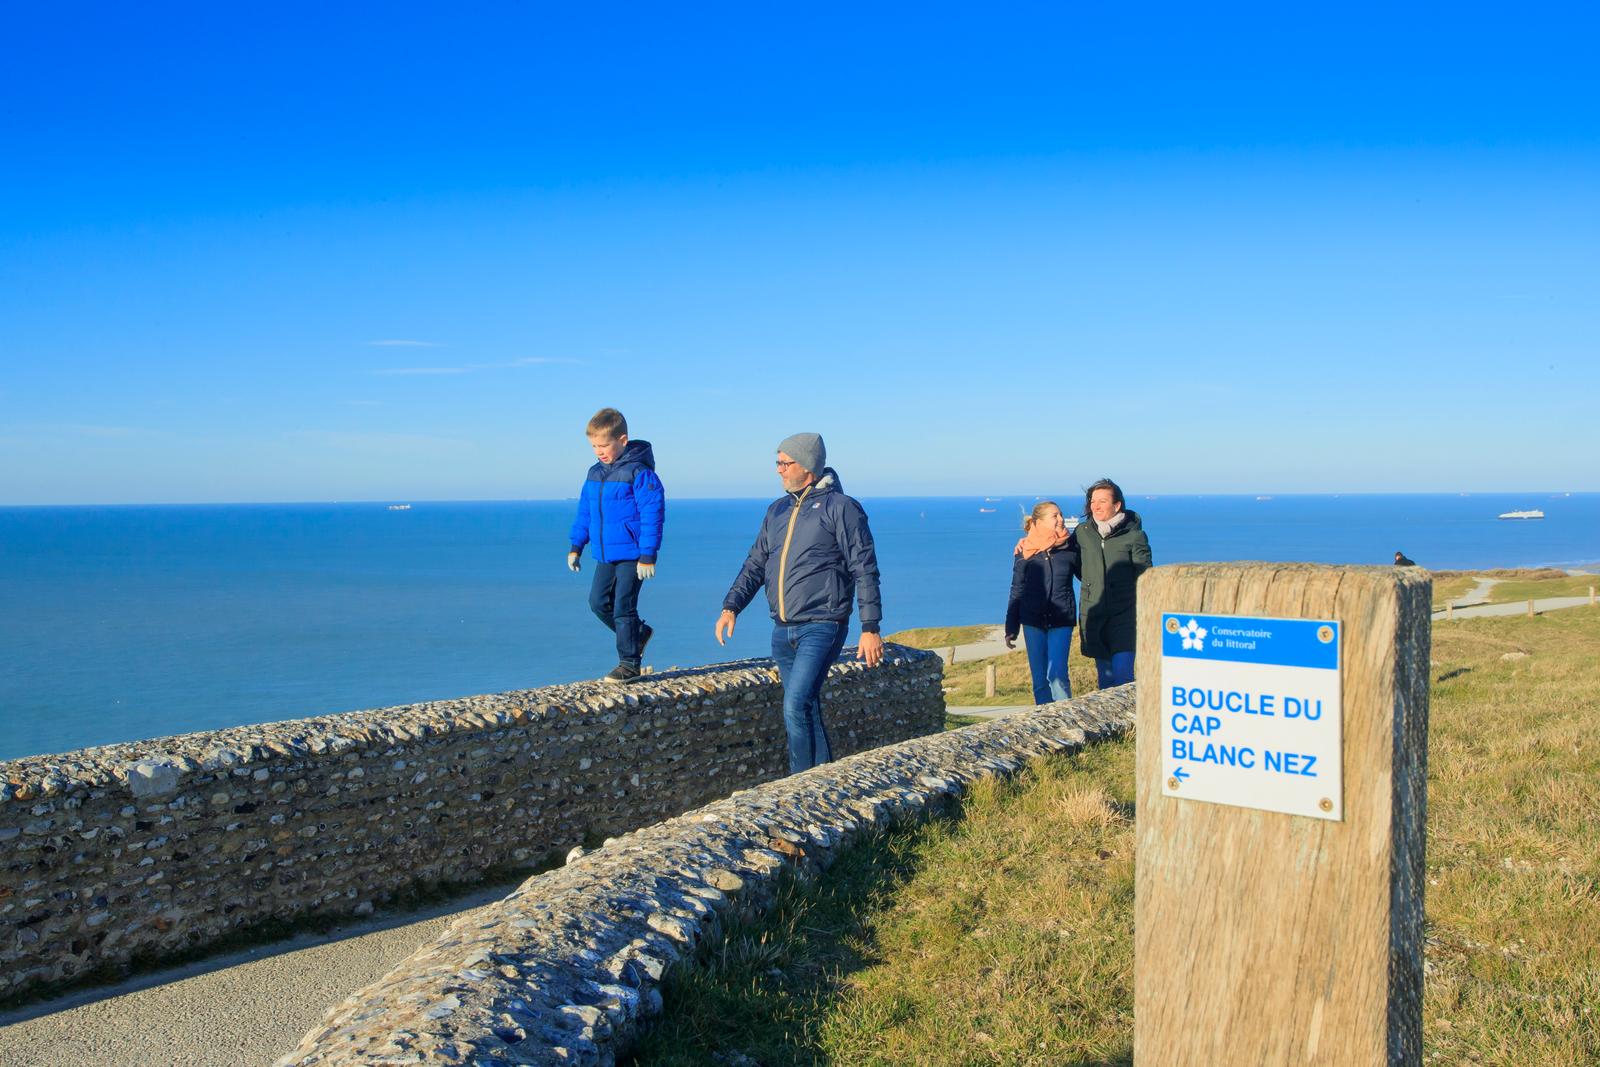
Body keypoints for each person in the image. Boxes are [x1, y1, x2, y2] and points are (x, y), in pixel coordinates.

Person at [715, 433, 884, 774]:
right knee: (806, 706)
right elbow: (755, 564)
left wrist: (870, 628)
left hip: (823, 624)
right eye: (777, 462)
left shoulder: (841, 507)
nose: (778, 470)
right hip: (783, 629)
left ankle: (798, 784)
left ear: (807, 466)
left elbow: (864, 568)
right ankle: (821, 780)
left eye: (784, 463)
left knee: (795, 705)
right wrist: (731, 607)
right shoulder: (777, 510)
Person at [568, 407, 665, 684]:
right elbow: (585, 512)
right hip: (605, 552)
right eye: (594, 446)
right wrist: (576, 545)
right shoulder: (594, 473)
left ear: (622, 440)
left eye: (603, 445)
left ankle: (629, 664)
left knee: (624, 607)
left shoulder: (640, 473)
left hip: (633, 554)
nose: (598, 451)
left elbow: (652, 514)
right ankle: (639, 634)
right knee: (597, 603)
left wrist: (648, 554)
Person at [1076, 477, 1151, 689]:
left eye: (1102, 501)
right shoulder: (1082, 532)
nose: (1096, 506)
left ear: (1116, 505)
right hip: (1094, 613)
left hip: (1125, 614)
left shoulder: (1135, 536)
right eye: (1093, 501)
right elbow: (1073, 563)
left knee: (1123, 676)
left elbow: (1145, 575)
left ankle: (1134, 712)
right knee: (1105, 679)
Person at [1004, 501, 1079, 704]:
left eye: (1061, 514)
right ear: (1039, 522)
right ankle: (1045, 720)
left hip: (1061, 618)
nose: (1061, 519)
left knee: (1057, 676)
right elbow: (1017, 589)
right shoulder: (1024, 550)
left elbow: (1087, 575)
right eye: (1055, 516)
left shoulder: (1071, 546)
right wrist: (1011, 627)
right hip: (1032, 620)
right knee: (1039, 681)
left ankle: (1065, 718)